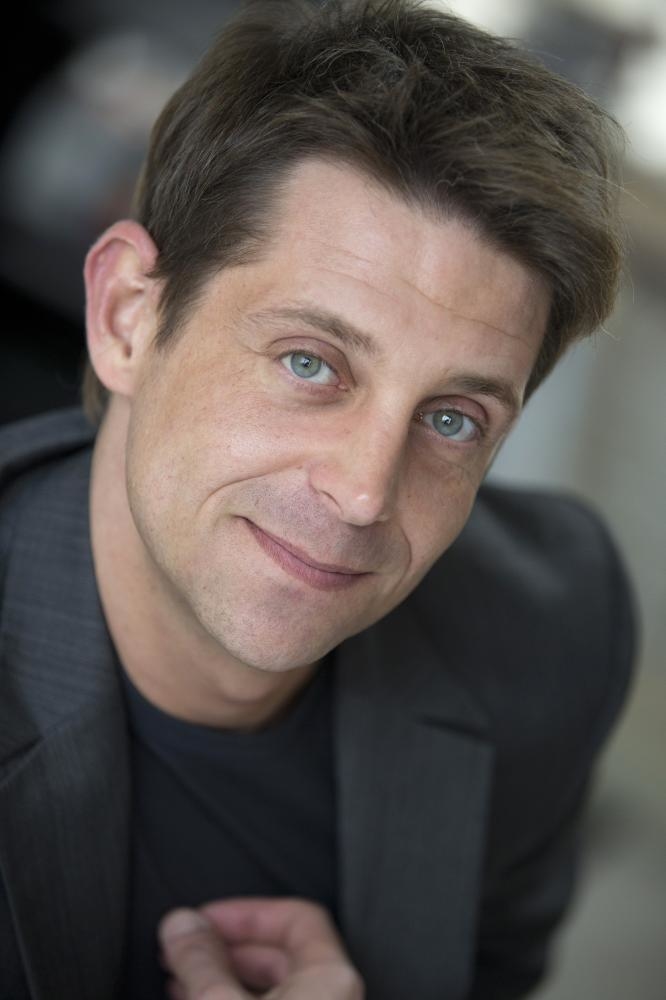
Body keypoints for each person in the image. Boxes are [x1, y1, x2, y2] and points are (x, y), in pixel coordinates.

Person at [0, 1, 635, 998]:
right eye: (310, 362)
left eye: (453, 418)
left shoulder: (547, 636)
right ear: (126, 317)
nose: (364, 493)